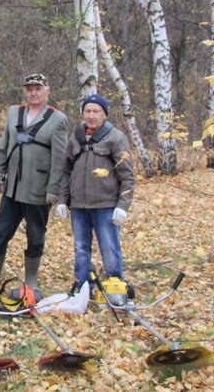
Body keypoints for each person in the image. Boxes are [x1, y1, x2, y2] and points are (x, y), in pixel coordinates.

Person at [0, 73, 68, 298]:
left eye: (37, 88)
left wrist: (54, 189)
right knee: (0, 233)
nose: (33, 93)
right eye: (29, 88)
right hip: (12, 189)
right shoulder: (14, 112)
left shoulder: (57, 119)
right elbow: (4, 145)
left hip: (38, 189)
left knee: (35, 235)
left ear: (47, 91)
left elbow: (60, 159)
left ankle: (31, 278)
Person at [56, 94, 135, 289]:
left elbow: (127, 176)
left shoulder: (116, 138)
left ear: (104, 114)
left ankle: (116, 286)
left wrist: (123, 206)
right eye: (88, 111)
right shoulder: (75, 138)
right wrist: (62, 201)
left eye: (96, 111)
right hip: (79, 207)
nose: (91, 116)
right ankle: (84, 286)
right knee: (81, 249)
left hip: (105, 205)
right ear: (82, 114)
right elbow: (66, 172)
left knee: (109, 248)